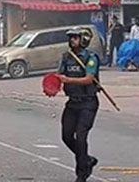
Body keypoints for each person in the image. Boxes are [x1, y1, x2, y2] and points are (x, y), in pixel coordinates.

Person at [58, 27, 101, 182]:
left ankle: (82, 173)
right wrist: (51, 86)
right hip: (72, 103)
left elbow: (89, 78)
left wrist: (68, 80)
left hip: (88, 103)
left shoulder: (90, 58)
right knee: (66, 136)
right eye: (71, 38)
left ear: (83, 40)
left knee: (81, 137)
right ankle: (86, 159)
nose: (72, 41)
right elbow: (59, 76)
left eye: (75, 38)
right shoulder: (66, 57)